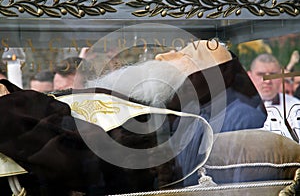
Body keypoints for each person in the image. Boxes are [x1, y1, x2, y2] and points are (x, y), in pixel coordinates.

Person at [0, 40, 268, 195]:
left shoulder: (236, 116)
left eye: (185, 55)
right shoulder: (163, 108)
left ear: (205, 77)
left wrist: (13, 106)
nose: (163, 56)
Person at [248, 53, 300, 141]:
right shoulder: (240, 108)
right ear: (249, 76)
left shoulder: (295, 106)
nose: (267, 81)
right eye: (261, 74)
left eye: (273, 74)